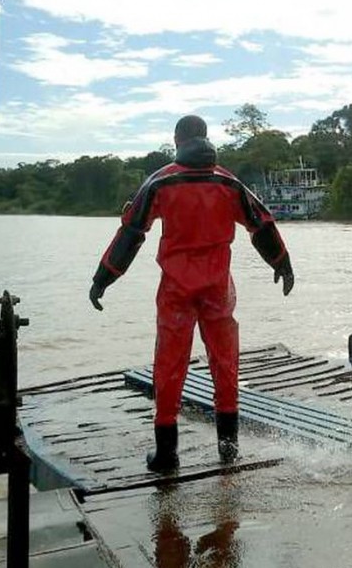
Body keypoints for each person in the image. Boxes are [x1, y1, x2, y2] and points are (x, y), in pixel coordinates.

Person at [88, 115, 295, 472]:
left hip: (176, 289)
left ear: (177, 140)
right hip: (217, 286)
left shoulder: (161, 181)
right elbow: (260, 223)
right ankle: (228, 449)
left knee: (170, 364)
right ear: (204, 138)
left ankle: (167, 454)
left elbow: (132, 233)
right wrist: (282, 263)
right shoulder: (228, 182)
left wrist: (103, 278)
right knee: (225, 361)